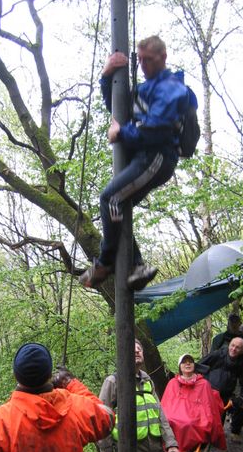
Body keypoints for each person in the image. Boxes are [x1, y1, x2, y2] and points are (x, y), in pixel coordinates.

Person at [79, 35, 191, 291]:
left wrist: (121, 133)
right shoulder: (144, 89)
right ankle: (137, 266)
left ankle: (105, 263)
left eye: (148, 60)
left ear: (163, 57)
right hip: (144, 156)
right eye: (139, 60)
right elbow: (118, 109)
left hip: (157, 157)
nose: (143, 65)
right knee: (117, 209)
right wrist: (107, 77)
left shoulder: (171, 89)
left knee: (111, 199)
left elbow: (156, 130)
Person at [161, 353, 227, 452]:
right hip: (174, 416)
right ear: (180, 366)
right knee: (168, 421)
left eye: (190, 361)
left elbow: (207, 406)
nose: (187, 363)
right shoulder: (173, 383)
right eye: (184, 361)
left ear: (194, 365)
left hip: (195, 418)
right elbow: (166, 405)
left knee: (188, 424)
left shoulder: (203, 384)